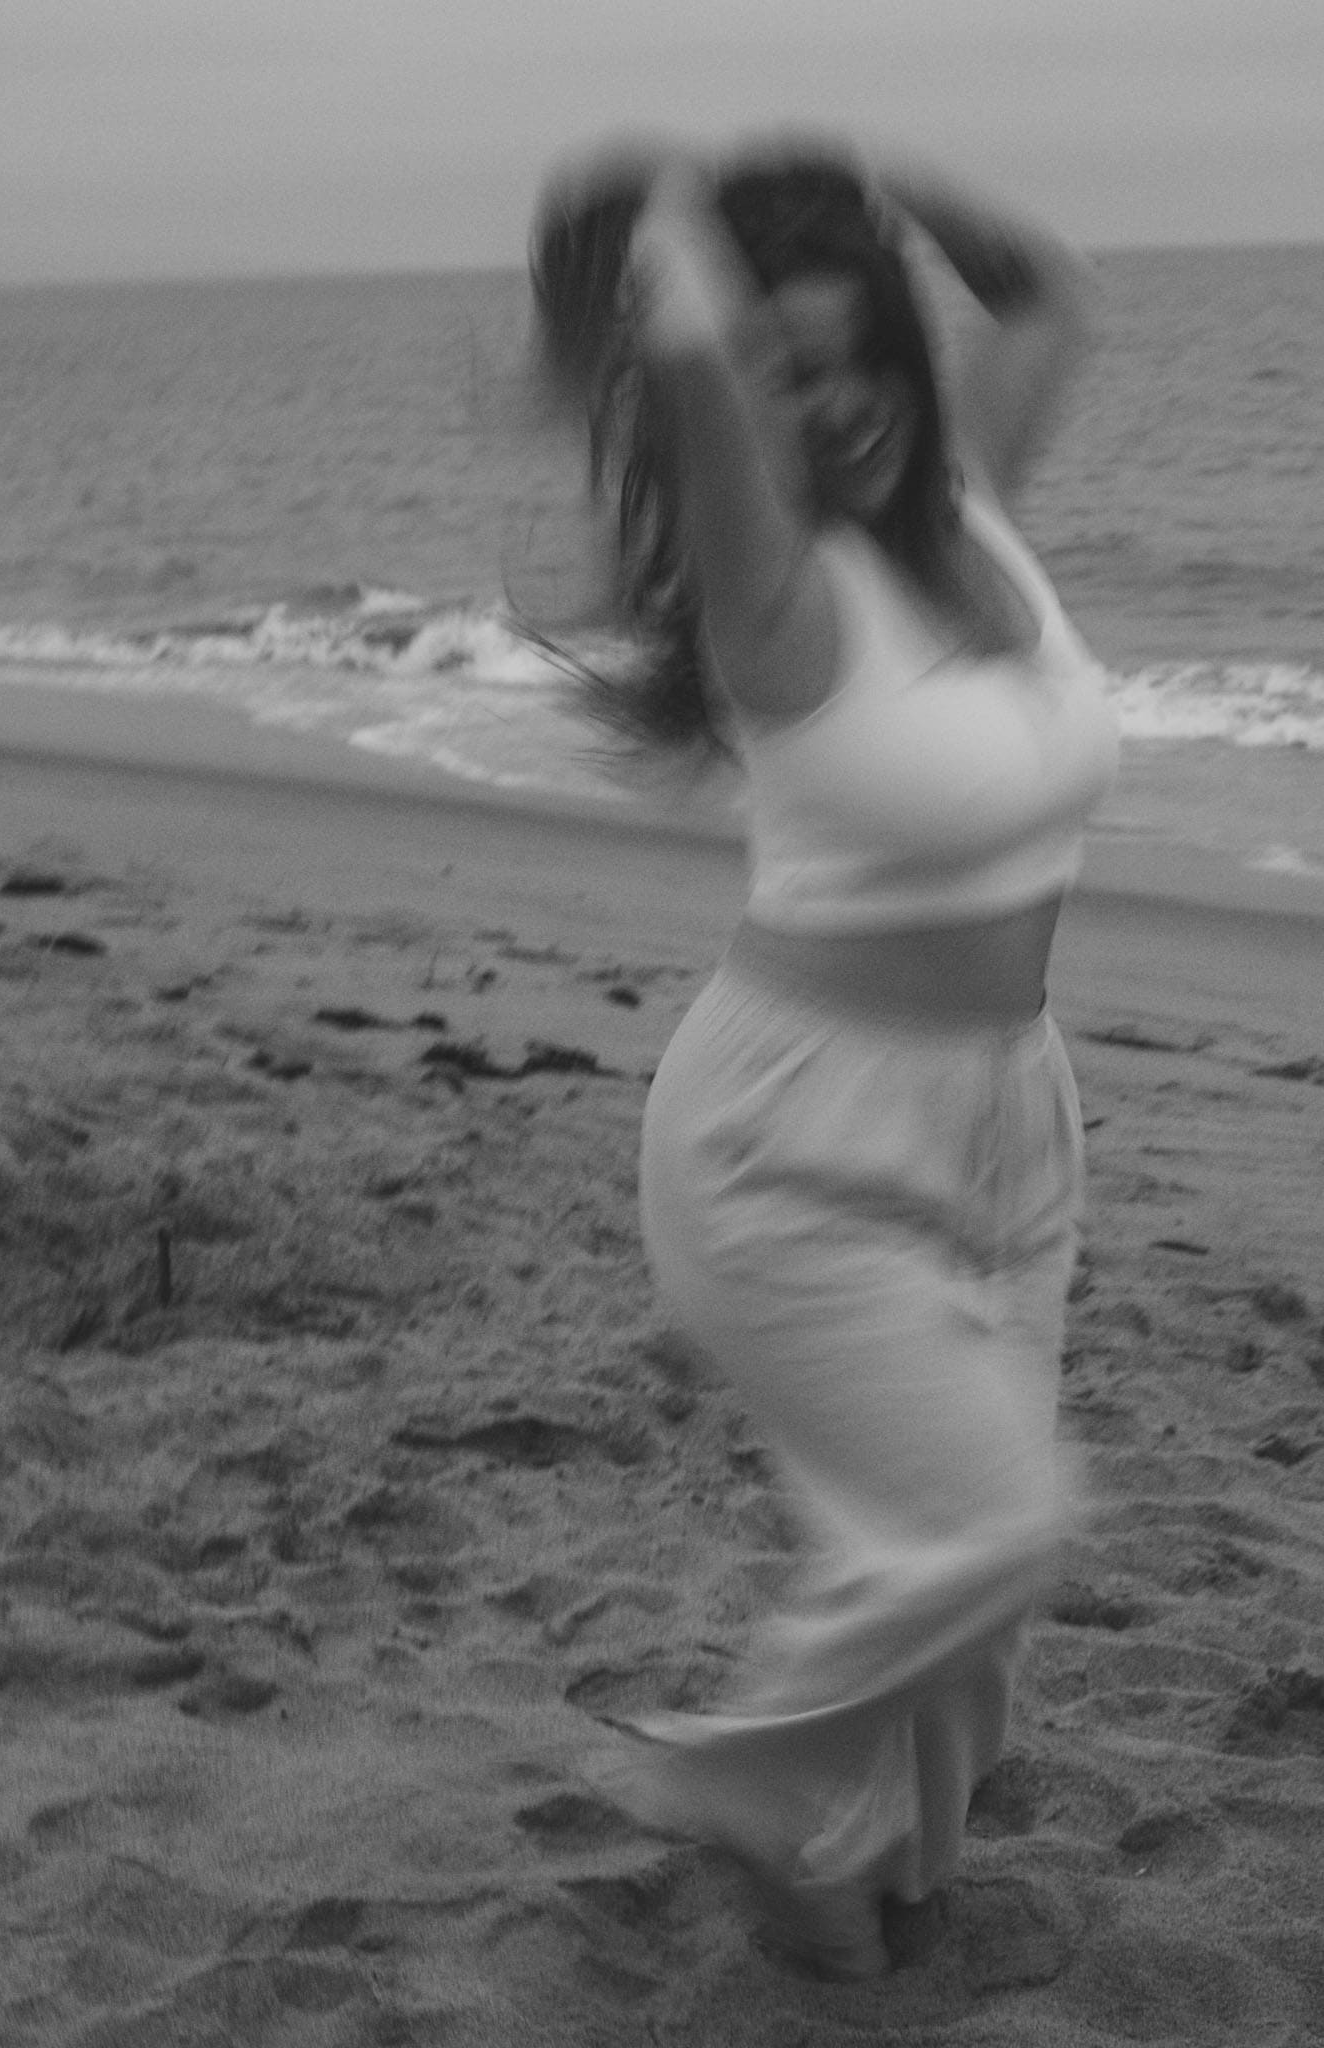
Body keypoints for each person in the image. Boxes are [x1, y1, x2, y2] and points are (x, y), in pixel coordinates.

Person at [530, 139, 1119, 1980]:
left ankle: (906, 1893)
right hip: (791, 1143)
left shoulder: (972, 507)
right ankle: (746, 1792)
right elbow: (698, 357)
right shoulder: (771, 595)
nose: (837, 399)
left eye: (860, 348)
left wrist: (880, 185)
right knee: (990, 1523)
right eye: (788, 373)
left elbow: (1044, 297)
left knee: (975, 1606)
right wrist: (676, 227)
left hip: (1011, 1110)